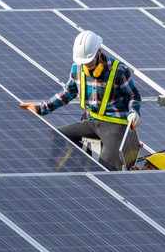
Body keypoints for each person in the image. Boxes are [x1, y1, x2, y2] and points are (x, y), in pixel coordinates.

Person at [20, 31, 141, 171]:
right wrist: (41, 108)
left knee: (105, 169)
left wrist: (134, 112)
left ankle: (97, 176)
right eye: (83, 62)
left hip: (115, 125)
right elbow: (68, 93)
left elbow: (133, 95)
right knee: (59, 135)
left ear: (99, 52)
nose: (86, 65)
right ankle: (64, 175)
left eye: (88, 61)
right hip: (91, 121)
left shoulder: (119, 70)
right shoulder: (77, 68)